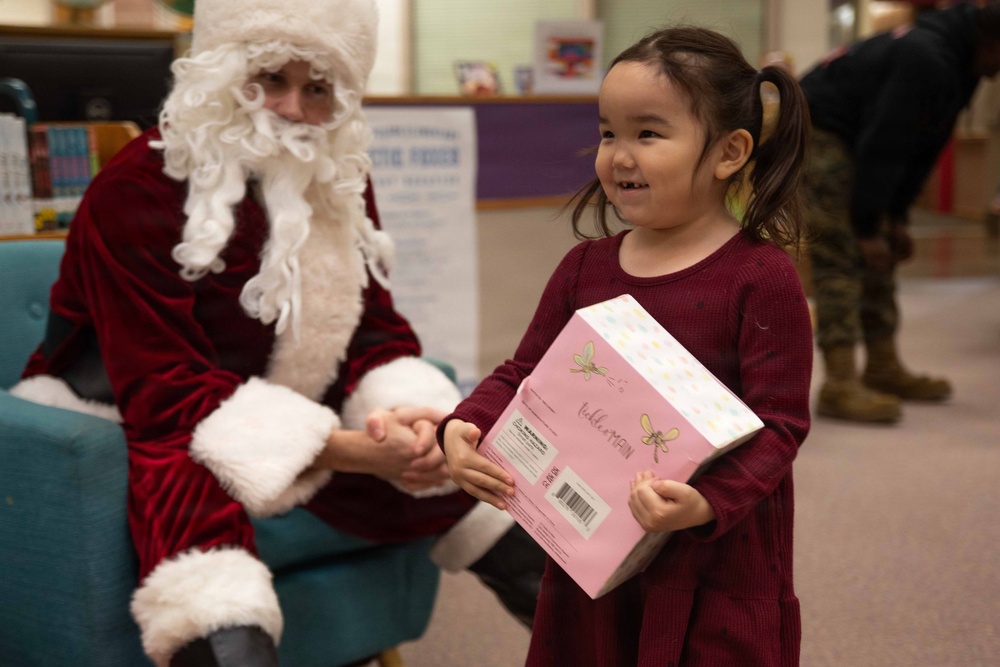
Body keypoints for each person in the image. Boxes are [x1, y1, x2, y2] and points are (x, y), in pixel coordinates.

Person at [9, 0, 545, 665]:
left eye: (317, 88)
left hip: (275, 402)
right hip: (127, 411)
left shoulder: (335, 177)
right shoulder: (133, 189)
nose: (291, 108)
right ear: (222, 73)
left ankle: (609, 638)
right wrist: (347, 449)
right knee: (187, 494)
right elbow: (164, 390)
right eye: (269, 79)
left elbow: (374, 331)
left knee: (467, 475)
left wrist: (412, 421)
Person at [440, 26, 813, 666]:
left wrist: (705, 503)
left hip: (711, 554)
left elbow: (781, 424)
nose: (619, 154)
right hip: (595, 546)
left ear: (730, 151)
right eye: (609, 132)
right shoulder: (586, 268)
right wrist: (465, 424)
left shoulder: (762, 277)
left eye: (648, 133)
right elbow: (525, 371)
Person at [799, 1, 1000, 422]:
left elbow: (921, 147)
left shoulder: (964, 60)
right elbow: (884, 146)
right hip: (819, 130)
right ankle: (839, 383)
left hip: (862, 138)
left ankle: (882, 366)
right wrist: (869, 226)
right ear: (991, 42)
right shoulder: (925, 57)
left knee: (881, 246)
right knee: (841, 252)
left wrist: (896, 219)